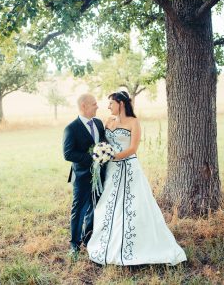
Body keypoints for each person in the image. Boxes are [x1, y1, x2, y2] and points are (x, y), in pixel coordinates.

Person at [87, 91, 187, 266]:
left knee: (133, 205)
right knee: (109, 203)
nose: (108, 106)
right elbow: (103, 144)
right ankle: (108, 245)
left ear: (121, 104)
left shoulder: (134, 122)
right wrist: (103, 154)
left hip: (129, 168)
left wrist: (113, 156)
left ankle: (139, 246)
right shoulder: (108, 121)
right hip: (112, 170)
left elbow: (133, 148)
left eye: (111, 103)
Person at [63, 93, 106, 258]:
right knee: (79, 209)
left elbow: (102, 142)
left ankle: (88, 239)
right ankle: (74, 244)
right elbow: (68, 154)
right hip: (81, 176)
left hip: (100, 175)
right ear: (84, 106)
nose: (97, 106)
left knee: (94, 208)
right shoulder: (71, 128)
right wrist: (92, 157)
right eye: (94, 103)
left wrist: (104, 155)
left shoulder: (99, 123)